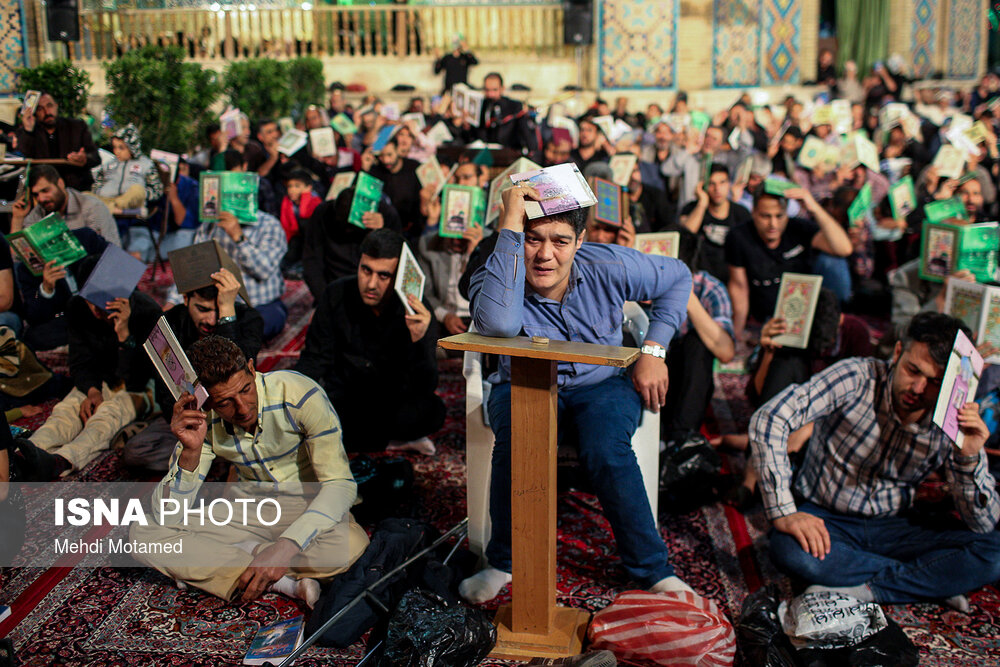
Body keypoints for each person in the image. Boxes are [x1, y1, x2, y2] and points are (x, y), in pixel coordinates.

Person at [459, 182, 693, 603]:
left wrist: (654, 350)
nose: (545, 255)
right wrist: (512, 223)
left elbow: (678, 276)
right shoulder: (497, 271)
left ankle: (652, 569)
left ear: (580, 240)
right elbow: (496, 326)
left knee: (607, 450)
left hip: (599, 383)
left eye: (561, 241)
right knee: (517, 445)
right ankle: (502, 561)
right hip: (523, 382)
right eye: (533, 239)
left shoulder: (609, 264)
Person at [750, 312, 1000, 611]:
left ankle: (872, 588)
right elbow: (770, 418)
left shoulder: (951, 414)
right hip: (827, 516)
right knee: (790, 550)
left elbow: (983, 524)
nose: (918, 389)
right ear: (897, 353)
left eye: (935, 381)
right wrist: (784, 512)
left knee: (994, 552)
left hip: (895, 525)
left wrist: (968, 454)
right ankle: (928, 580)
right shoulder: (857, 376)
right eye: (912, 370)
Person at [129, 336, 370, 604]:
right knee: (143, 533)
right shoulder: (203, 418)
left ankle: (228, 559)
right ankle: (284, 584)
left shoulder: (300, 394)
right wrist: (191, 451)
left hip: (308, 503)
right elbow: (167, 515)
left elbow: (340, 485)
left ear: (253, 369)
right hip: (248, 509)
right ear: (207, 401)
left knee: (352, 547)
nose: (242, 408)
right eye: (225, 403)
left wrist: (286, 547)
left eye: (245, 389)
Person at [295, 229, 445, 455]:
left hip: (392, 399)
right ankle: (379, 439)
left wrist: (419, 340)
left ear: (398, 277)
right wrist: (296, 397)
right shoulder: (335, 294)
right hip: (346, 396)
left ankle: (369, 438)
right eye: (366, 270)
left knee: (432, 412)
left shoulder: (417, 309)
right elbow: (315, 357)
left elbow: (425, 385)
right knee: (315, 412)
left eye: (383, 275)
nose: (371, 284)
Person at [12, 273, 161, 479]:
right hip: (101, 379)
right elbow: (80, 361)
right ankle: (23, 456)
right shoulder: (78, 307)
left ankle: (61, 461)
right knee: (67, 409)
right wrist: (92, 390)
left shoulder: (147, 311)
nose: (96, 309)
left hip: (142, 386)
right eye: (91, 302)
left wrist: (124, 335)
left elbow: (138, 378)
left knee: (108, 415)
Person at [122, 270, 263, 472]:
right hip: (195, 421)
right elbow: (165, 393)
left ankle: (213, 459)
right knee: (136, 452)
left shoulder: (249, 318)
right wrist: (187, 422)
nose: (212, 320)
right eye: (203, 310)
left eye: (218, 311)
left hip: (236, 416)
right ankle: (221, 458)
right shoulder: (169, 323)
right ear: (186, 299)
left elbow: (235, 374)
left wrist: (227, 317)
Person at [725, 184, 852, 337]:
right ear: (753, 213)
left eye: (779, 216)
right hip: (767, 316)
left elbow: (843, 248)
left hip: (803, 310)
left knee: (834, 262)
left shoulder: (798, 228)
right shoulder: (739, 236)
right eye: (765, 216)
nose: (773, 224)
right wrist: (736, 334)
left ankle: (836, 320)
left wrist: (815, 208)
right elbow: (739, 288)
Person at [169, 203, 287, 340]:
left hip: (258, 305)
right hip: (216, 303)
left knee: (261, 323)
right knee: (180, 320)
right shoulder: (211, 224)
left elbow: (263, 271)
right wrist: (172, 301)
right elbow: (193, 267)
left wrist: (239, 237)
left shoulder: (270, 225)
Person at [302, 185, 402, 301]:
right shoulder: (323, 213)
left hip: (372, 288)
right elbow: (311, 260)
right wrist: (325, 299)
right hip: (333, 285)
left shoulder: (386, 215)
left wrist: (382, 231)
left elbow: (396, 263)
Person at [15, 228, 109, 351]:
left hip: (104, 308)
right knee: (33, 337)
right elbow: (34, 317)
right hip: (68, 320)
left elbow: (121, 266)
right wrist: (46, 289)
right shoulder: (28, 269)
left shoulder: (86, 239)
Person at [12, 164, 121, 246]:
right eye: (36, 195)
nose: (41, 199)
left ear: (60, 183)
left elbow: (111, 252)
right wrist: (17, 219)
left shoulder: (92, 207)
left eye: (46, 191)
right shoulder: (39, 212)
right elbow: (17, 257)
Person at [680, 164, 752, 282]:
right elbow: (686, 235)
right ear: (704, 186)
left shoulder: (741, 213)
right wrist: (702, 203)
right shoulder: (691, 209)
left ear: (729, 184)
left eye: (722, 182)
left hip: (732, 280)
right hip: (700, 279)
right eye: (712, 184)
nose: (717, 189)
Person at [15, 92, 101, 191]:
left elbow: (95, 157)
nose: (46, 112)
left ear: (56, 106)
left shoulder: (76, 127)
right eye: (40, 109)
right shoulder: (28, 132)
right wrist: (28, 130)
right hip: (44, 190)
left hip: (76, 188)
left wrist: (84, 159)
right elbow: (23, 156)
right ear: (34, 112)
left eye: (49, 106)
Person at [92, 124, 164, 213]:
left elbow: (157, 190)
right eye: (114, 147)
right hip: (108, 200)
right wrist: (99, 192)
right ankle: (113, 209)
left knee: (137, 190)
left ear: (132, 147)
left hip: (131, 203)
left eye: (121, 148)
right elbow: (98, 183)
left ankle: (117, 209)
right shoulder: (109, 164)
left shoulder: (146, 164)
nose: (116, 151)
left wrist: (143, 194)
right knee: (85, 196)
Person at [370, 137, 423, 240]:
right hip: (386, 230)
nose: (386, 160)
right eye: (381, 156)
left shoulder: (414, 168)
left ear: (398, 150)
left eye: (389, 155)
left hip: (411, 230)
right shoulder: (375, 171)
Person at [470, 72, 537, 153]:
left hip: (509, 153)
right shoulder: (480, 106)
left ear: (502, 89)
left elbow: (527, 137)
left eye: (494, 90)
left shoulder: (514, 107)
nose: (491, 94)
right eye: (487, 90)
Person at [279, 169, 322, 278]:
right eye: (289, 186)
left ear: (308, 188)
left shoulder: (315, 202)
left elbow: (307, 220)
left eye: (297, 186)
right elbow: (285, 225)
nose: (292, 190)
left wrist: (305, 198)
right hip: (295, 239)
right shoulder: (287, 202)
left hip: (312, 240)